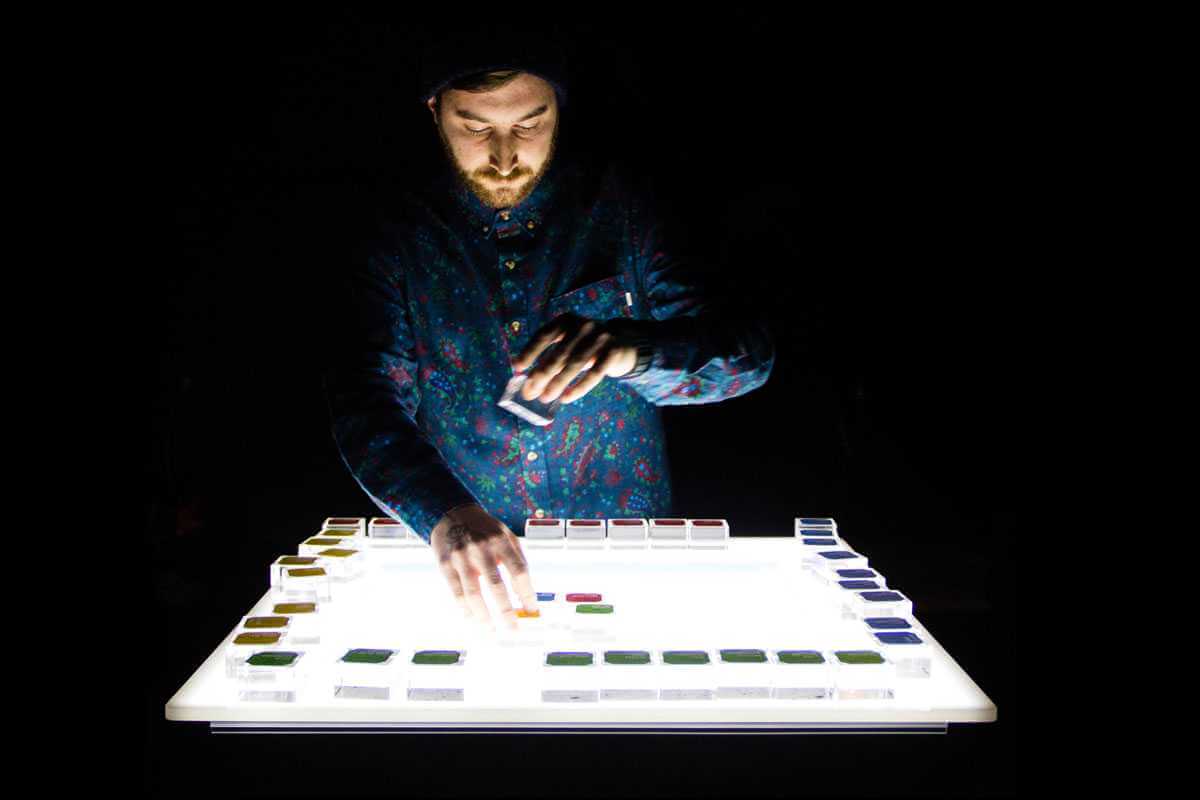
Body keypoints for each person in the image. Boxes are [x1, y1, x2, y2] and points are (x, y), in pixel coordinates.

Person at [324, 26, 774, 632]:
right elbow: (364, 398)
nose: (504, 157)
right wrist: (443, 514)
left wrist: (632, 352)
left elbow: (747, 360)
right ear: (434, 110)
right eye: (476, 128)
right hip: (458, 575)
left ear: (558, 106)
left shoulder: (624, 210)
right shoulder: (395, 236)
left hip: (630, 567)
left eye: (529, 125)